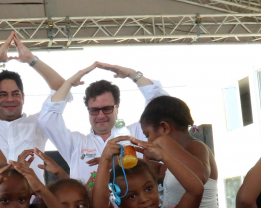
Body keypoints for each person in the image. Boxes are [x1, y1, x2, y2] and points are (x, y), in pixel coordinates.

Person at [38, 61, 168, 183]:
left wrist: (133, 74)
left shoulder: (136, 133)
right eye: (94, 110)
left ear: (117, 106)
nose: (100, 115)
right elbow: (47, 119)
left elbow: (163, 107)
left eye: (106, 109)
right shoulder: (75, 143)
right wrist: (69, 83)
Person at [0, 32, 69, 182]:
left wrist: (32, 60)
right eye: (2, 94)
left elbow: (63, 88)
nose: (10, 99)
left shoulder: (39, 123)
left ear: (23, 97)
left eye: (15, 94)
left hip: (34, 204)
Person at [141, 95, 220, 208]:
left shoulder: (196, 147)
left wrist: (162, 143)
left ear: (164, 128)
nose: (148, 141)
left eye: (148, 135)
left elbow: (200, 175)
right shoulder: (172, 160)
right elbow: (153, 174)